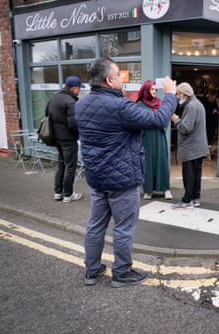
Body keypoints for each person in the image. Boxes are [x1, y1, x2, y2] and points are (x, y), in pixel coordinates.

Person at [75, 57, 178, 287]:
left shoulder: (81, 103)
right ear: (110, 80)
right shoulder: (121, 106)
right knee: (123, 227)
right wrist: (170, 94)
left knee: (96, 225)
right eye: (120, 75)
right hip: (122, 179)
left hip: (97, 177)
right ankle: (121, 273)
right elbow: (159, 119)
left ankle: (92, 271)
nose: (123, 78)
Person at [46, 75, 84, 203]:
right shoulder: (71, 102)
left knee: (61, 164)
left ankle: (58, 192)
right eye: (79, 88)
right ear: (74, 88)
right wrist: (79, 133)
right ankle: (68, 194)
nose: (80, 91)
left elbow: (47, 114)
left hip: (56, 137)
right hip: (68, 139)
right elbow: (73, 124)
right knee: (70, 167)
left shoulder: (54, 98)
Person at [171, 82, 209, 209]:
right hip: (198, 147)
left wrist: (175, 119)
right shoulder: (198, 104)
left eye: (178, 94)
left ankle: (187, 200)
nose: (177, 96)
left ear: (183, 94)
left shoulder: (191, 106)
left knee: (189, 175)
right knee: (196, 174)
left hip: (191, 148)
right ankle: (195, 198)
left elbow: (186, 128)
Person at [136, 80, 173, 200]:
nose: (154, 92)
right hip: (146, 137)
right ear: (146, 90)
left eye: (155, 89)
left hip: (159, 136)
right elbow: (138, 121)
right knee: (148, 163)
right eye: (151, 89)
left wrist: (161, 123)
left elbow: (166, 117)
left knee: (161, 161)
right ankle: (148, 190)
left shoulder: (160, 103)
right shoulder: (140, 105)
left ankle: (166, 188)